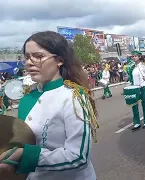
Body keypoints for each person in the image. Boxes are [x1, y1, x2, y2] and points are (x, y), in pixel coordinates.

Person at [0, 31, 99, 180]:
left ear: (59, 60)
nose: (29, 62)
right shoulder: (28, 97)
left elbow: (78, 156)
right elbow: (24, 140)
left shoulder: (73, 96)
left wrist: (25, 155)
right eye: (27, 57)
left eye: (38, 56)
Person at [129, 50, 145, 130]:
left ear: (139, 56)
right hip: (135, 88)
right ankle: (137, 123)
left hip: (143, 87)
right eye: (133, 56)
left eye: (136, 56)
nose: (134, 57)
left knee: (144, 104)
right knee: (134, 105)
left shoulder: (144, 66)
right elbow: (130, 78)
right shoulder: (131, 67)